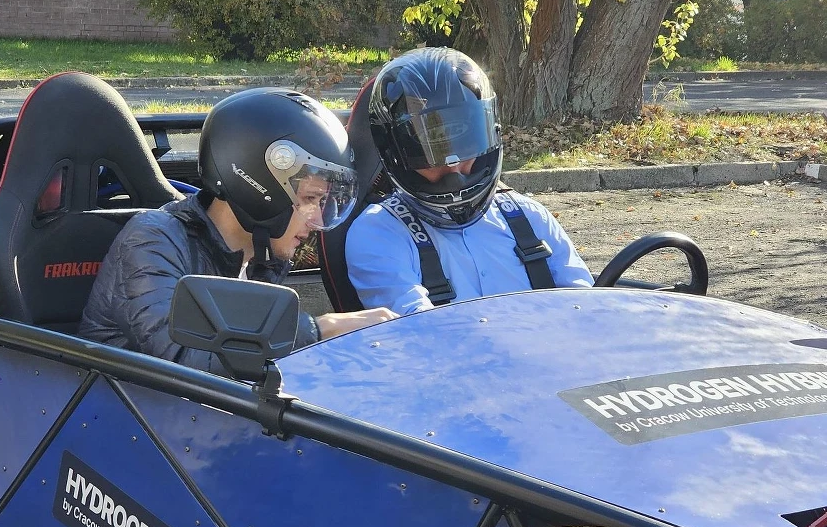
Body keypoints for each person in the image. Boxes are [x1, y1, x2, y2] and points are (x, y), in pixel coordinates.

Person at [80, 88, 395, 371]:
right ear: (259, 188)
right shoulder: (152, 242)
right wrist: (319, 329)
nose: (315, 220)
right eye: (309, 199)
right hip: (122, 419)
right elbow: (186, 362)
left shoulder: (262, 257)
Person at [345, 48, 593, 316]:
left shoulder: (530, 219)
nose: (452, 164)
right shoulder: (378, 232)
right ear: (394, 152)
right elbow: (416, 329)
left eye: (463, 141)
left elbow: (587, 310)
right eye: (430, 148)